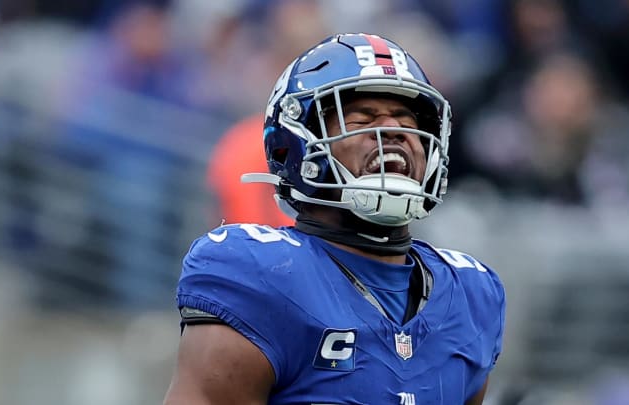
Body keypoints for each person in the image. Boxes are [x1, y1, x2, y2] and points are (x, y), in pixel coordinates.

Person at [164, 33, 506, 404]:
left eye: (407, 121)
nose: (393, 132)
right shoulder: (260, 273)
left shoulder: (472, 293)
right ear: (296, 142)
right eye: (362, 119)